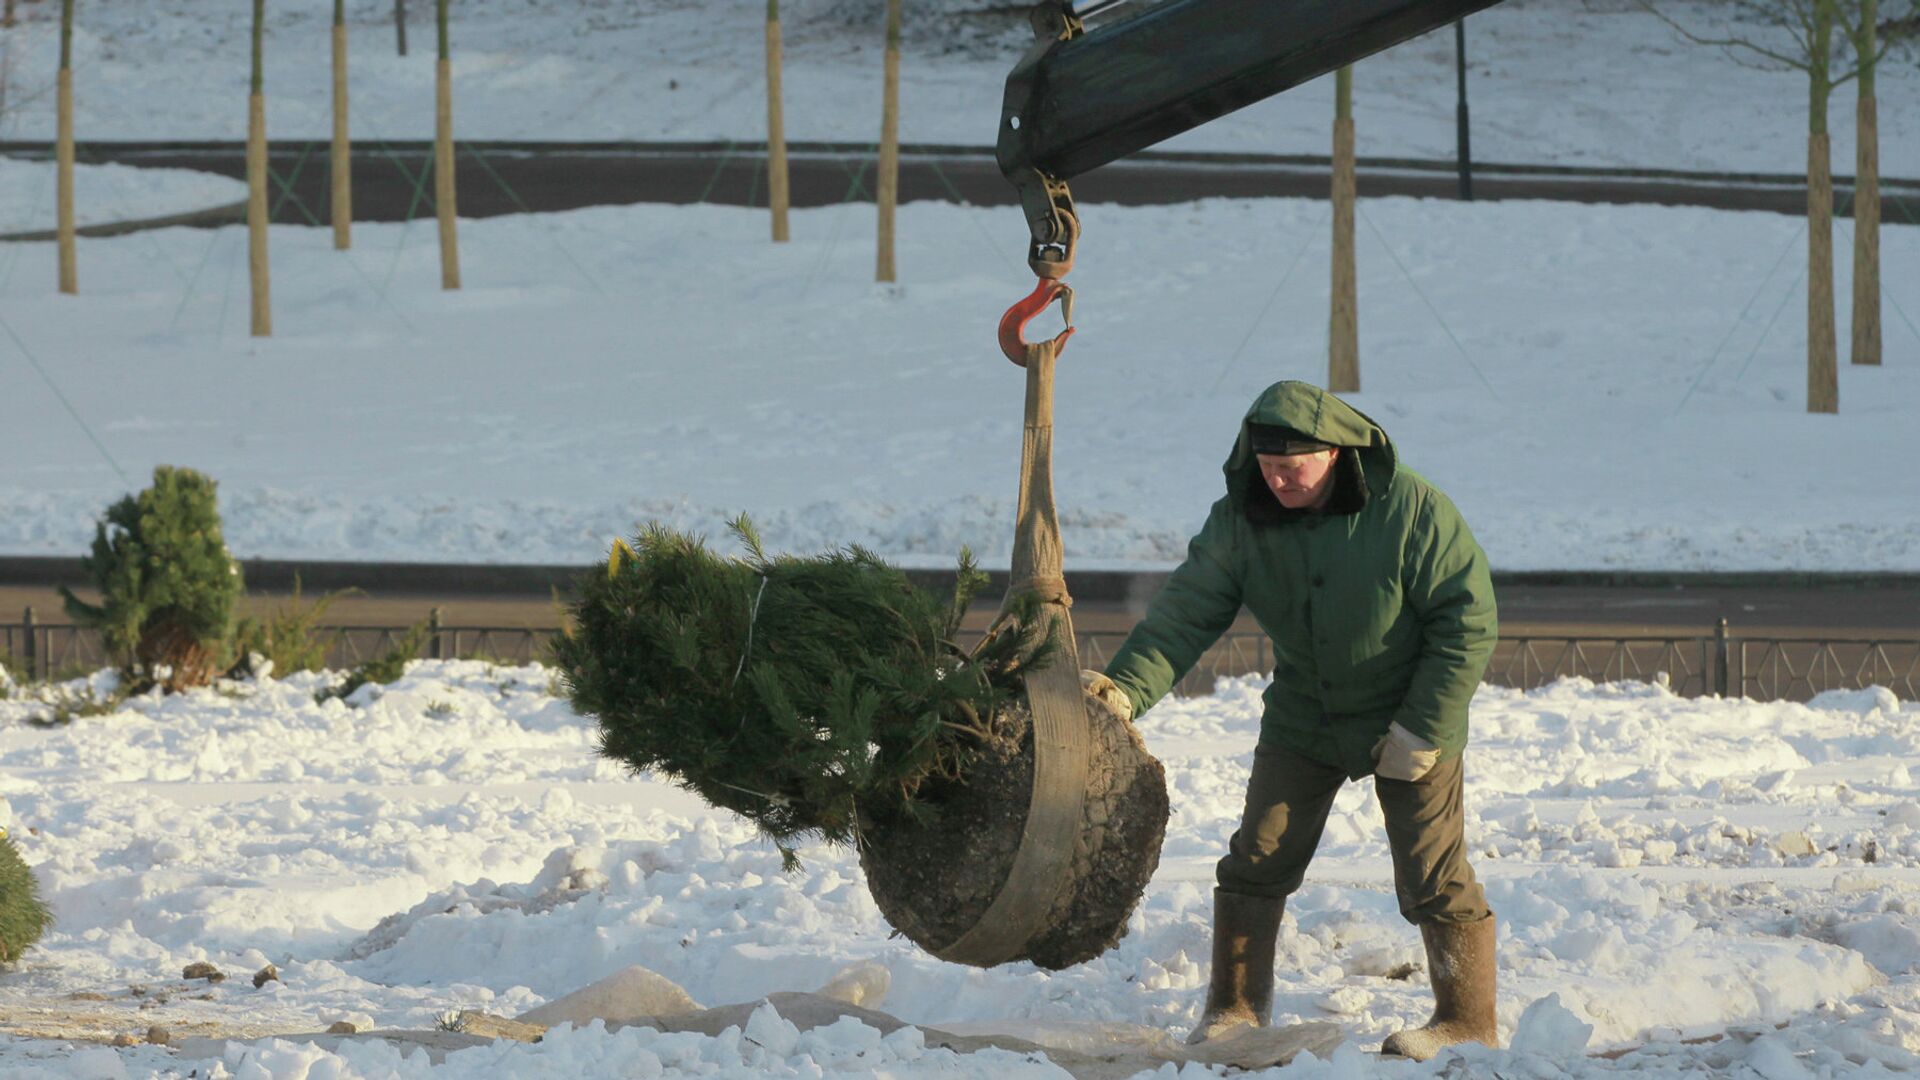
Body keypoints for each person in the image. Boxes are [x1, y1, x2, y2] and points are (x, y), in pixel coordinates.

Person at [1080, 380, 1499, 1061]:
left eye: (1294, 465)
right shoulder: (1242, 516)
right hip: (1307, 713)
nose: (1279, 479)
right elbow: (1188, 611)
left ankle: (1466, 1019)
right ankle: (1235, 1008)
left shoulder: (1412, 510)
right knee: (1258, 857)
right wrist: (1124, 690)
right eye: (1268, 465)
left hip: (1410, 711)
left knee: (1433, 873)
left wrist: (1424, 727)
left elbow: (1468, 618)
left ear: (1336, 453)